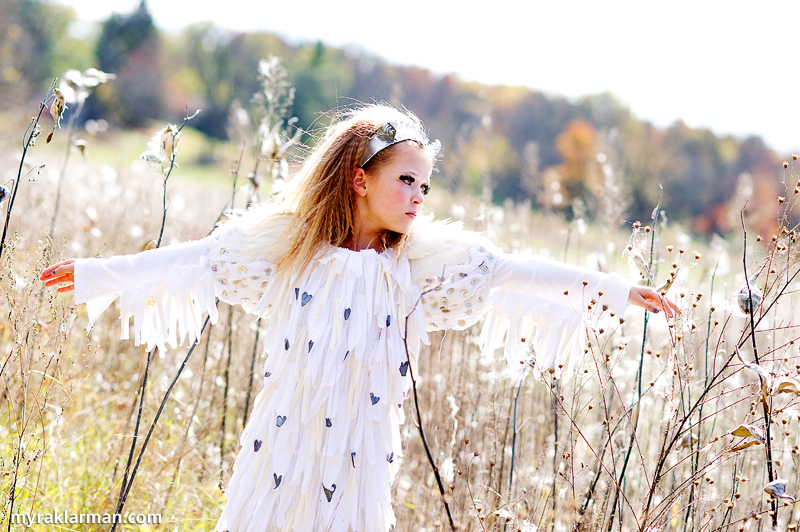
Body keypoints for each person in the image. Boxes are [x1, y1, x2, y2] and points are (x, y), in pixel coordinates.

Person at [40, 104, 676, 532]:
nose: (418, 198)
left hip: (361, 454)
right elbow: (199, 260)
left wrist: (617, 291)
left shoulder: (417, 264)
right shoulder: (291, 248)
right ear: (359, 180)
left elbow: (514, 271)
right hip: (283, 439)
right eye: (405, 181)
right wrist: (98, 274)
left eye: (425, 187)